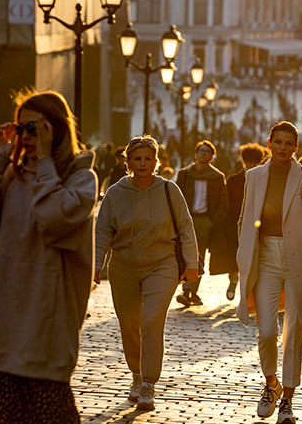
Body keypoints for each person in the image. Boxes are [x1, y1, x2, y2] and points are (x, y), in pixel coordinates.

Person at [0, 89, 97, 422]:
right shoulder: (13, 175)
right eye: (21, 128)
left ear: (57, 129)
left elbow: (54, 219)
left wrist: (46, 165)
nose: (27, 137)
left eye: (35, 128)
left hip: (45, 337)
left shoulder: (81, 180)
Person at [236, 121, 302, 424]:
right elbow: (244, 216)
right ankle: (271, 385)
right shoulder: (253, 176)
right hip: (265, 256)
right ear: (269, 143)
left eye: (287, 143)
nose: (282, 148)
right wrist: (242, 256)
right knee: (266, 330)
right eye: (277, 142)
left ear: (295, 147)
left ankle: (288, 401)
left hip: (298, 259)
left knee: (293, 334)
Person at [94, 136, 199, 411]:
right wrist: (96, 263)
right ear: (127, 162)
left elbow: (186, 227)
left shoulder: (169, 190)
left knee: (151, 320)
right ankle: (136, 375)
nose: (143, 164)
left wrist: (191, 264)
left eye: (148, 159)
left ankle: (149, 383)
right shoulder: (116, 193)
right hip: (124, 265)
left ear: (156, 162)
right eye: (137, 159)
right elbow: (103, 229)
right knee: (129, 324)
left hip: (162, 264)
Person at [175, 140, 231, 306]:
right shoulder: (185, 174)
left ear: (212, 156)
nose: (203, 154)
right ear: (196, 154)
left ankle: (191, 291)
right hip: (187, 220)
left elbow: (223, 202)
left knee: (199, 257)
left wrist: (213, 221)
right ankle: (187, 290)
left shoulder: (217, 176)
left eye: (207, 152)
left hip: (206, 221)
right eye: (201, 151)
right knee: (186, 255)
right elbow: (176, 197)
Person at [225, 143, 266, 300]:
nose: (251, 165)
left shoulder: (262, 180)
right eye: (248, 161)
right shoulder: (234, 180)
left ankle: (249, 291)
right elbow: (228, 203)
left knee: (255, 257)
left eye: (254, 162)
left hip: (257, 223)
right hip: (236, 222)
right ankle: (233, 282)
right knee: (236, 255)